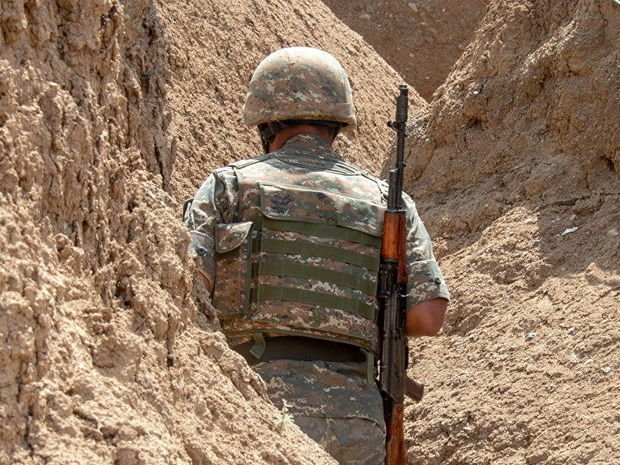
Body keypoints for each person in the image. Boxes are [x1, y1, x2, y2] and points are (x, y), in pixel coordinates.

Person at [184, 47, 449, 465]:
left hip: (253, 402)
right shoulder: (388, 203)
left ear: (265, 121)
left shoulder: (228, 187)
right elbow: (427, 317)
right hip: (356, 418)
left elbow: (188, 283)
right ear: (338, 124)